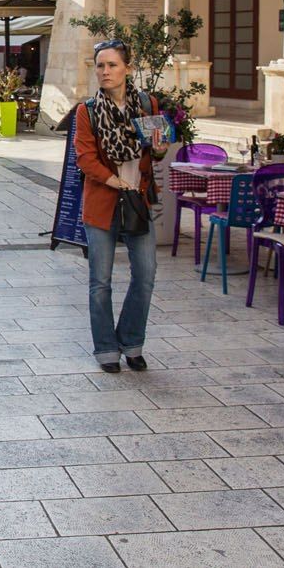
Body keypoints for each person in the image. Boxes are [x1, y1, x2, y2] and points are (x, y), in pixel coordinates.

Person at [74, 39, 167, 374]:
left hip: (138, 201)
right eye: (100, 65)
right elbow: (85, 158)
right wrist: (116, 183)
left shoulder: (147, 104)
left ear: (127, 67)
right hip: (103, 202)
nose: (105, 71)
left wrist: (159, 147)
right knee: (100, 281)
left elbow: (155, 153)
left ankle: (132, 341)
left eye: (112, 65)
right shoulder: (87, 110)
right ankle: (106, 349)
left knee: (146, 274)